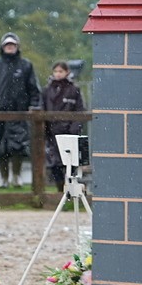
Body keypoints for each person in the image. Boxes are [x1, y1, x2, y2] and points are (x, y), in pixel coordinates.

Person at [0, 32, 41, 187]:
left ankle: (16, 176)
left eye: (12, 45)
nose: (10, 47)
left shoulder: (26, 65)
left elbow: (33, 88)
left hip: (19, 112)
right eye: (7, 45)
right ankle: (4, 179)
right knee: (0, 147)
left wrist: (33, 105)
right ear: (2, 46)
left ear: (17, 47)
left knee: (18, 146)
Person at [42, 60, 86, 191]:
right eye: (55, 71)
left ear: (67, 72)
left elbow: (80, 111)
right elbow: (42, 109)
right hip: (52, 133)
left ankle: (71, 191)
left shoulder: (74, 90)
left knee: (70, 163)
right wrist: (45, 129)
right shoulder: (46, 90)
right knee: (54, 164)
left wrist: (73, 129)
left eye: (61, 71)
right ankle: (60, 190)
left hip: (69, 133)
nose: (58, 74)